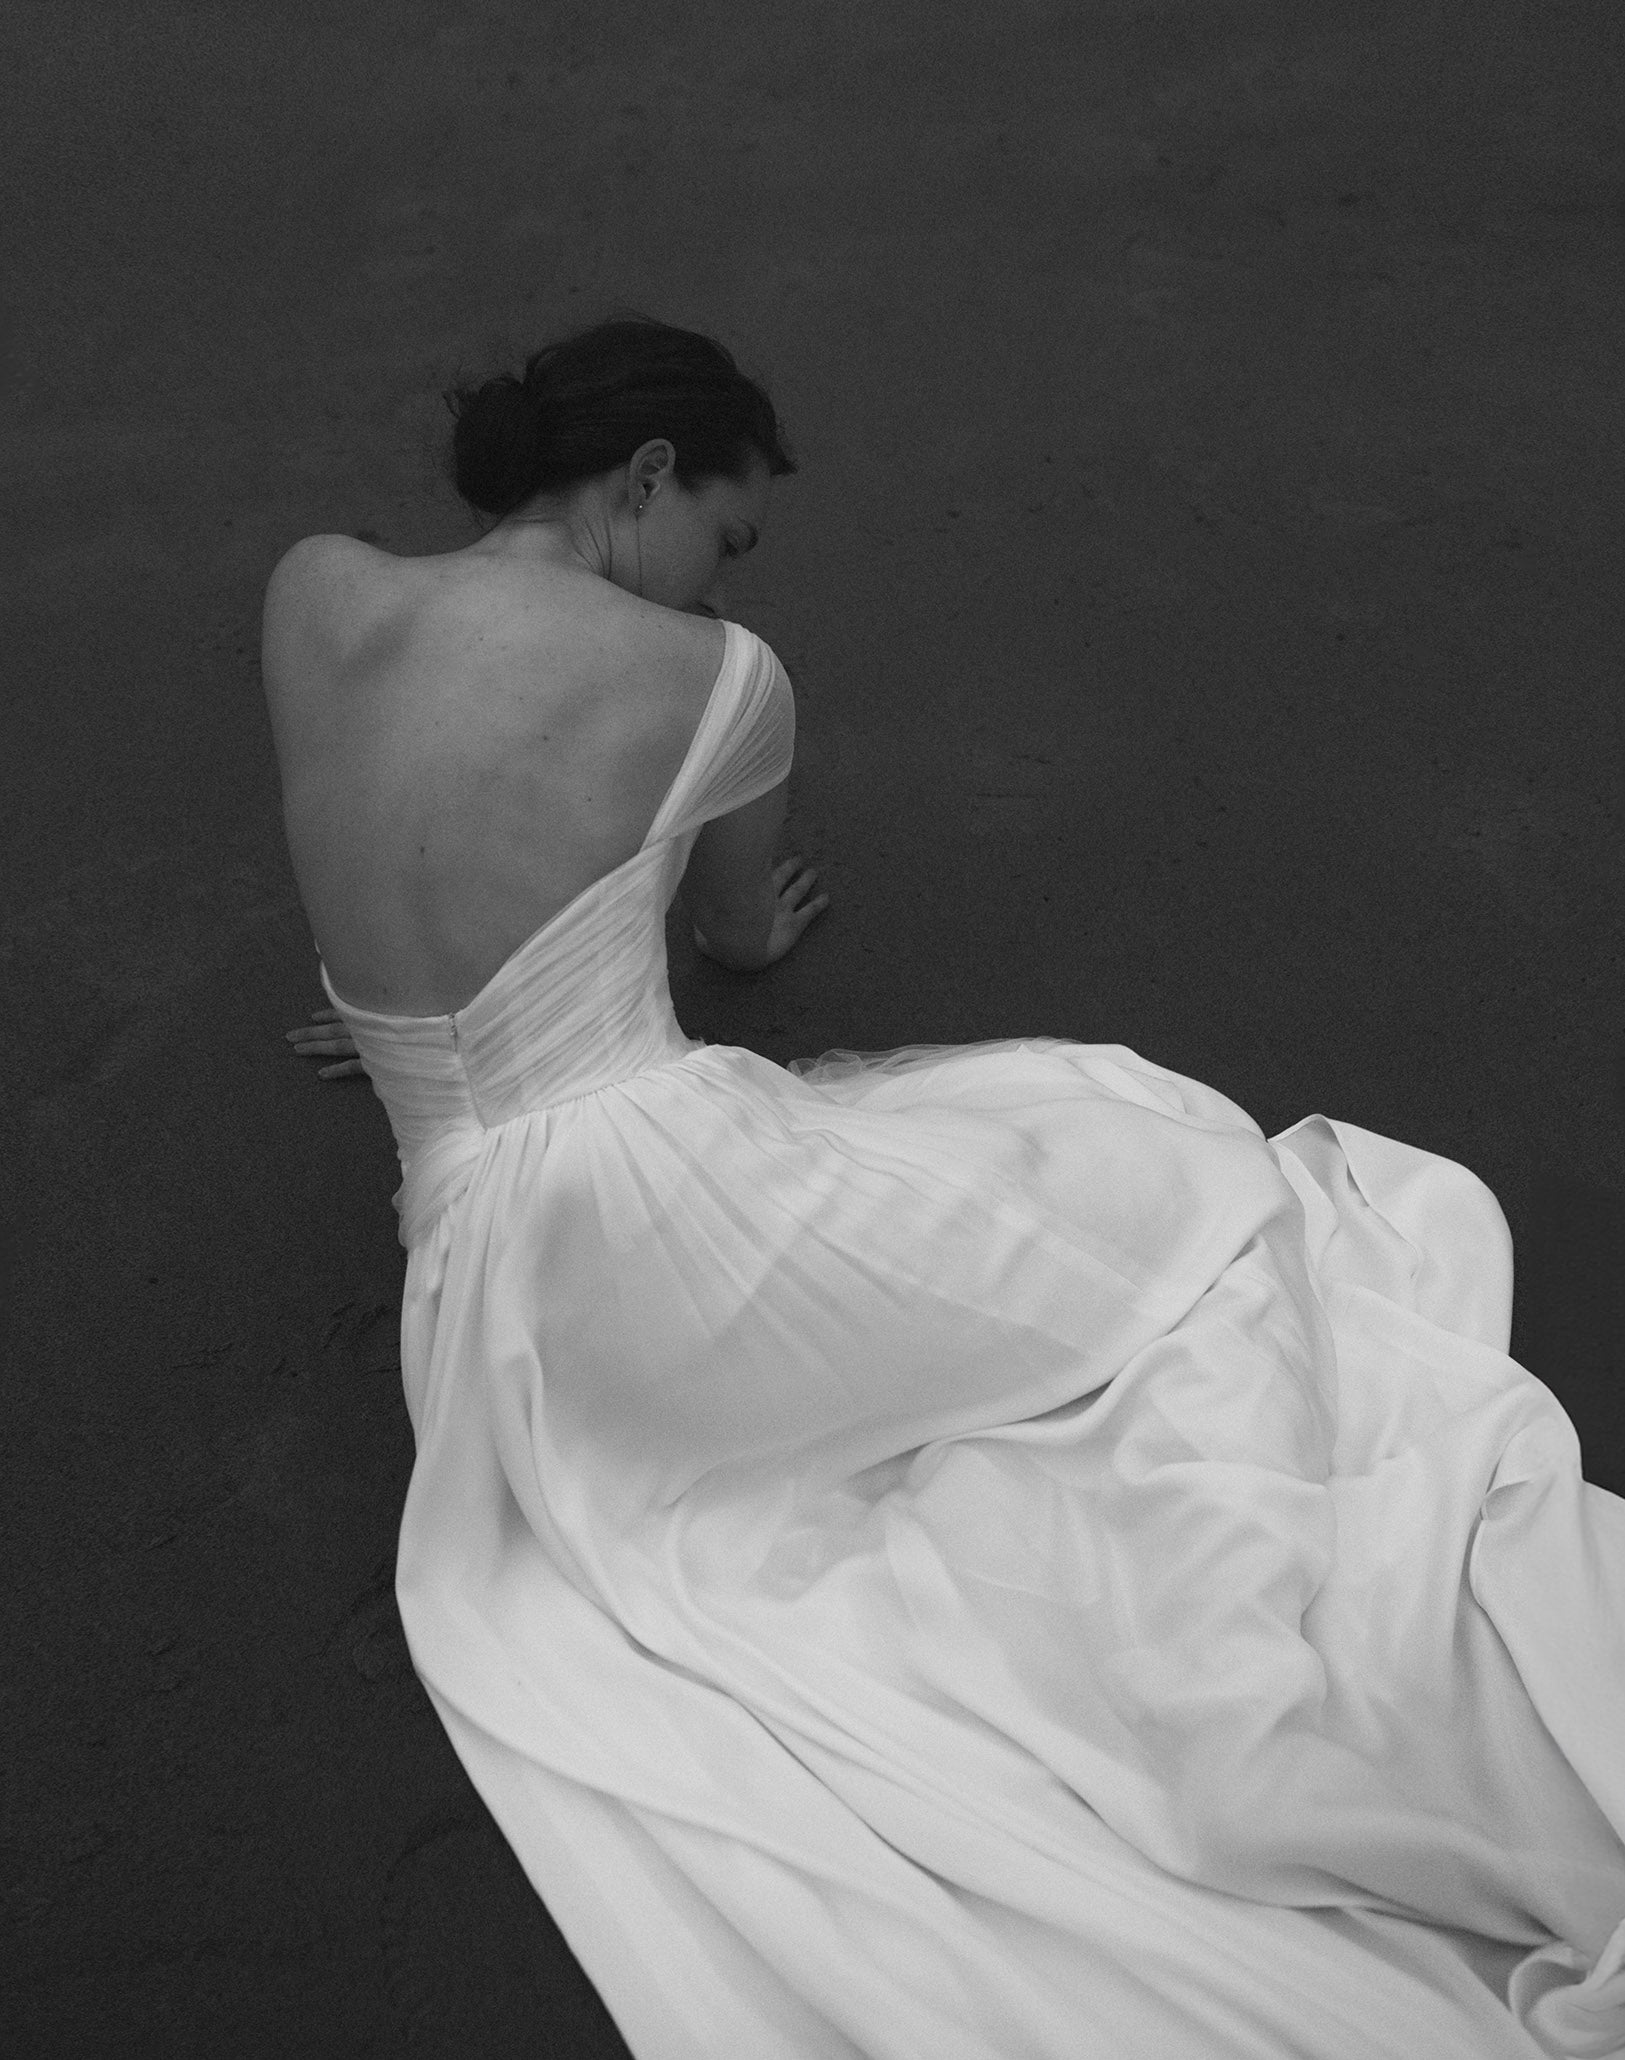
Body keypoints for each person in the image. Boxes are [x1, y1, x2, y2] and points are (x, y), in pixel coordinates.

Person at [266, 314, 1625, 2060]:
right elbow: (741, 937)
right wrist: (705, 917)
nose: (716, 585)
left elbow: (375, 827)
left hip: (477, 1286)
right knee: (1180, 1183)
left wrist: (413, 1023)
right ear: (650, 478)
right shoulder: (714, 680)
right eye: (725, 538)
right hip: (665, 1223)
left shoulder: (313, 591)